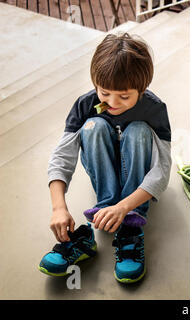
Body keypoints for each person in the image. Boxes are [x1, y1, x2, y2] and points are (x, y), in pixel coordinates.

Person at [38, 32, 172, 284]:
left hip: (137, 174)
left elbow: (161, 170)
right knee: (93, 125)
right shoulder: (85, 104)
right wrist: (58, 207)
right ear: (95, 84)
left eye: (124, 96)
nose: (112, 102)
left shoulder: (155, 109)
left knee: (139, 130)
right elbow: (62, 156)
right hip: (105, 170)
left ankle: (131, 224)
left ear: (142, 89)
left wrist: (125, 206)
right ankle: (99, 217)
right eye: (105, 93)